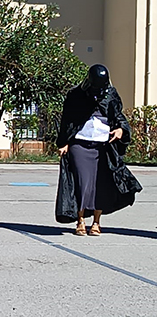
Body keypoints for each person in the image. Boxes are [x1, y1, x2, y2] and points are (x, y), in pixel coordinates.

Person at [56, 64, 142, 236]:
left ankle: (96, 222)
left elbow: (118, 117)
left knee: (100, 184)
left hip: (103, 145)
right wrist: (63, 142)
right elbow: (67, 119)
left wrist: (121, 130)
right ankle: (80, 220)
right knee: (82, 183)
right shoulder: (76, 95)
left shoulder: (111, 94)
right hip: (79, 144)